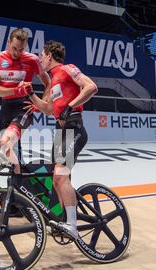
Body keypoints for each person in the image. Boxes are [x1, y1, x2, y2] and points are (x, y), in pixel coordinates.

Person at [23, 40, 98, 240]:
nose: (40, 59)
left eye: (41, 55)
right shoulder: (54, 79)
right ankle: (64, 220)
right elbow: (48, 109)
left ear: (49, 55)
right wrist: (31, 94)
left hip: (74, 127)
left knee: (61, 176)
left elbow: (90, 87)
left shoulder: (67, 69)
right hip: (60, 131)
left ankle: (72, 225)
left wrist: (70, 106)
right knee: (56, 179)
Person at [0, 28, 50, 173]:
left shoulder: (33, 59)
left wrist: (40, 104)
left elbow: (49, 83)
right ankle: (18, 181)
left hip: (23, 107)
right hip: (5, 108)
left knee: (5, 143)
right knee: (8, 152)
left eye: (21, 49)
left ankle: (18, 172)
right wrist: (17, 90)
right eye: (14, 48)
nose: (17, 53)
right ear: (8, 42)